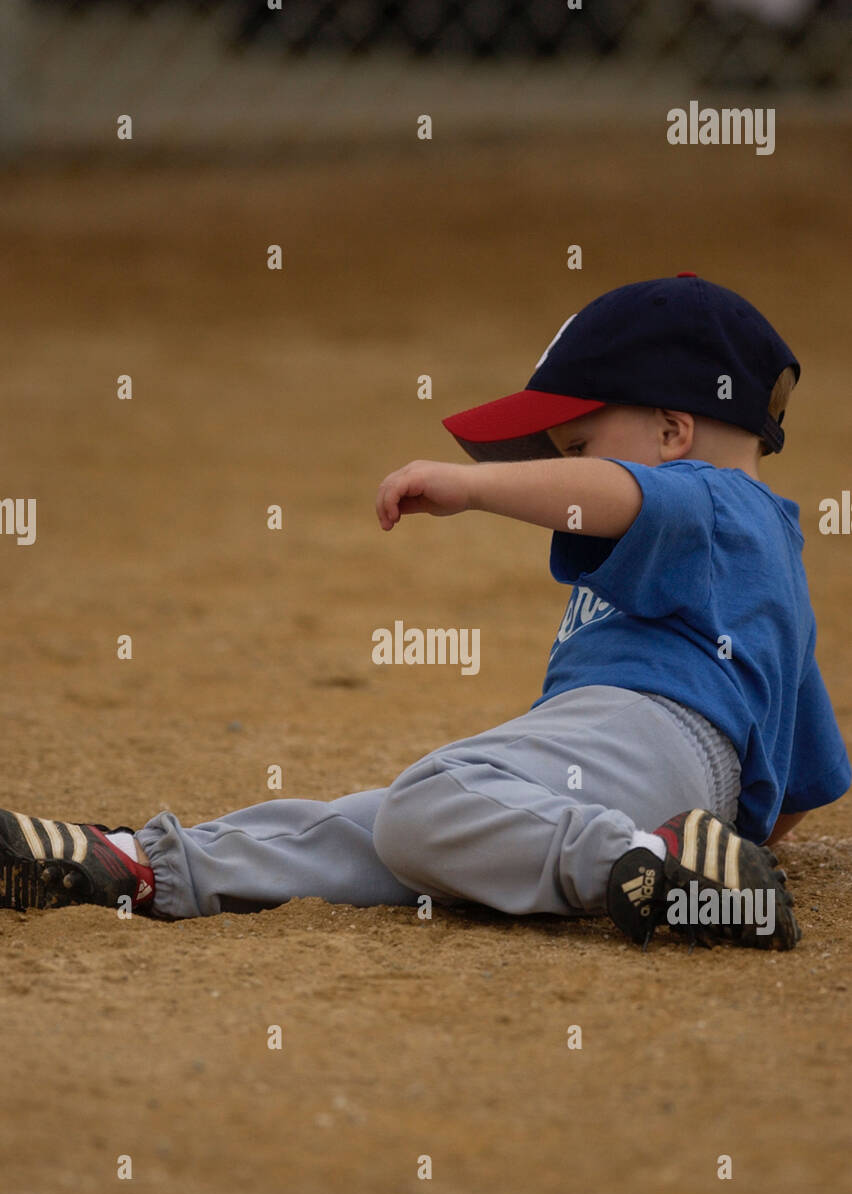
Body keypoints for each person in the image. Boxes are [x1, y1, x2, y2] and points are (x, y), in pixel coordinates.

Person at [3, 274, 847, 950]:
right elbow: (802, 781)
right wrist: (726, 847)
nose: (570, 467)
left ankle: (638, 864)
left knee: (428, 804)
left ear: (672, 431)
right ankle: (145, 866)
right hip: (648, 769)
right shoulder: (761, 575)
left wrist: (475, 487)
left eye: (578, 444)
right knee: (378, 830)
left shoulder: (718, 502)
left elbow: (616, 493)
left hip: (651, 738)